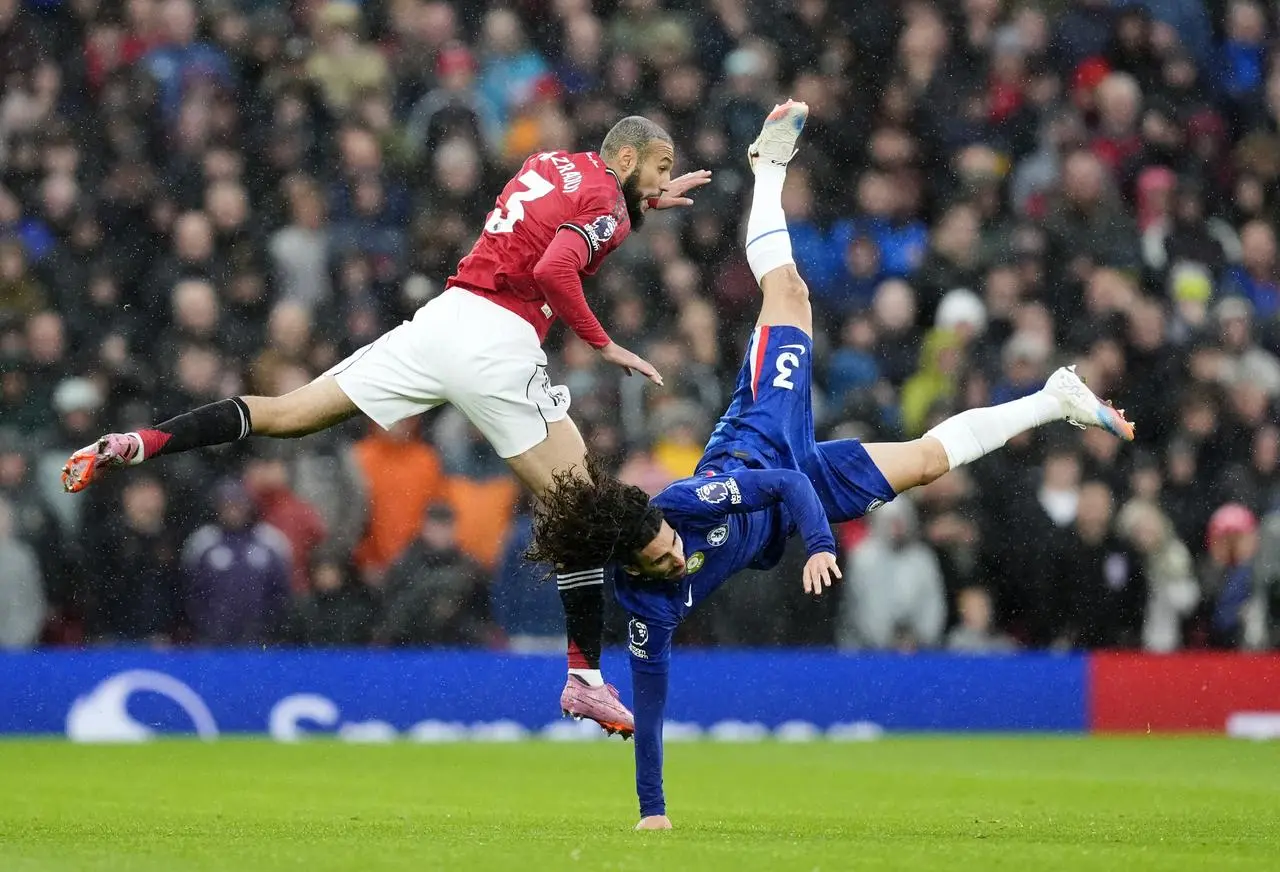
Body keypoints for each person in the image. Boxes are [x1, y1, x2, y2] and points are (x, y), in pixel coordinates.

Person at [526, 101, 1136, 829]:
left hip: (764, 433)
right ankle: (1052, 398)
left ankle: (768, 170)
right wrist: (651, 813)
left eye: (665, 545)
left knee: (790, 291)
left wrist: (819, 545)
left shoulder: (690, 503)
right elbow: (651, 706)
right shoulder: (649, 609)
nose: (673, 557)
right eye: (661, 558)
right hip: (794, 495)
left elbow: (781, 480)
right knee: (927, 463)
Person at [60, 116, 712, 737]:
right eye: (658, 168)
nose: (662, 180)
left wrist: (638, 204)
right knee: (584, 507)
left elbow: (558, 218)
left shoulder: (551, 163)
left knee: (287, 413)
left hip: (442, 320)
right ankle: (583, 676)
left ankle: (141, 442)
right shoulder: (606, 206)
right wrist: (603, 342)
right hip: (499, 341)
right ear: (626, 158)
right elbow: (554, 267)